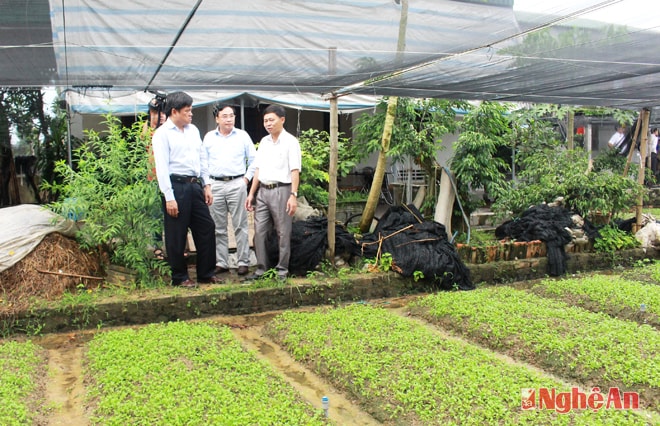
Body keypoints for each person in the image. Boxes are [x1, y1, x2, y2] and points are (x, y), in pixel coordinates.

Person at [151, 91, 220, 287]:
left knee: (206, 227)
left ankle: (206, 273)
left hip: (194, 185)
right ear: (174, 111)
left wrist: (206, 185)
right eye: (187, 111)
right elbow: (162, 168)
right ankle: (180, 277)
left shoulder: (193, 130)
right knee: (177, 233)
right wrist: (169, 196)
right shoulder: (162, 134)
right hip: (175, 186)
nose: (191, 114)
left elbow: (201, 159)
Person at [245, 105, 301, 281]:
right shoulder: (264, 142)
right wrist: (251, 193)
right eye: (265, 121)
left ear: (282, 120)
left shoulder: (291, 142)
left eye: (271, 120)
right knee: (259, 231)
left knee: (283, 232)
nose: (268, 124)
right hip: (263, 191)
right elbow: (257, 169)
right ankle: (261, 268)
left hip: (282, 190)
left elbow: (295, 170)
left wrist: (293, 195)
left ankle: (282, 270)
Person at [203, 104, 256, 276]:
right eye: (224, 116)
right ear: (217, 118)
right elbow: (203, 162)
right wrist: (207, 185)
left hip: (237, 183)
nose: (229, 119)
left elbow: (254, 160)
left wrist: (246, 179)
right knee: (218, 227)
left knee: (240, 225)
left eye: (231, 115)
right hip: (215, 184)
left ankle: (243, 262)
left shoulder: (242, 135)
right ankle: (222, 262)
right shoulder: (209, 137)